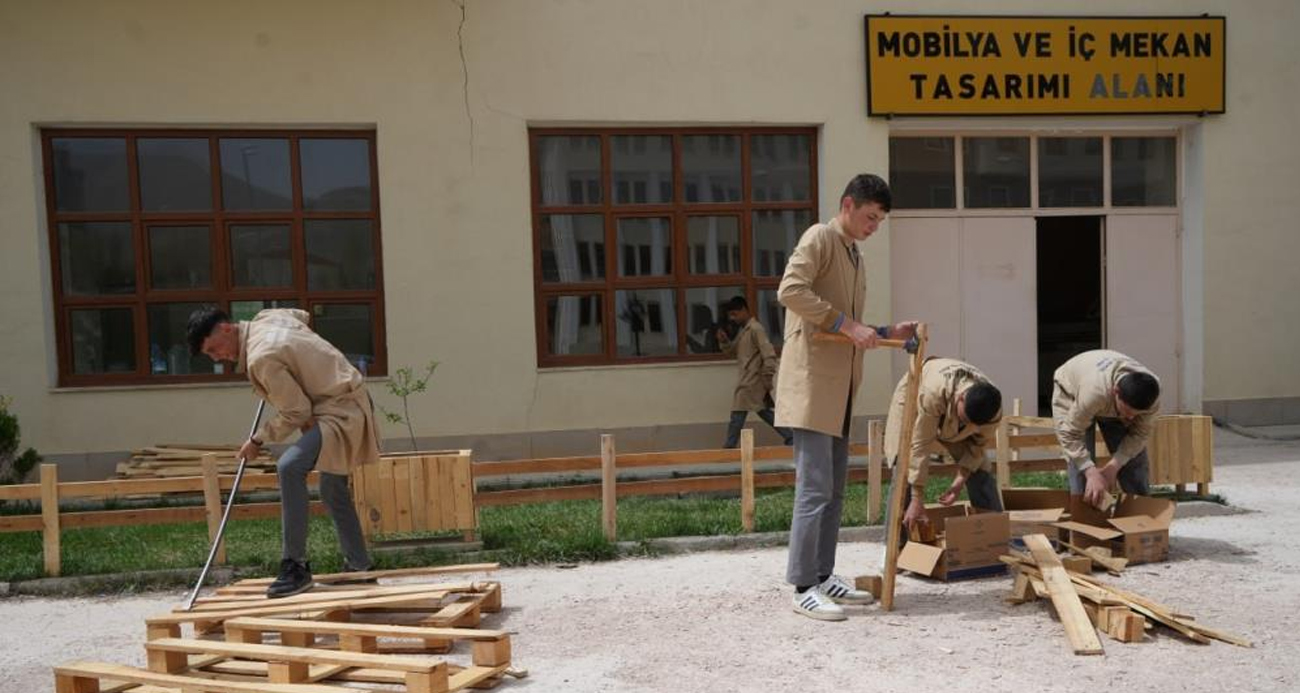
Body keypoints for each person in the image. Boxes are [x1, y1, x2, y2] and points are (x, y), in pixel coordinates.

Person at [775, 173, 917, 621]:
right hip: (813, 387)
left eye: (879, 221)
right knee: (814, 488)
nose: (874, 227)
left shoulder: (853, 254)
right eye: (870, 217)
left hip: (840, 391)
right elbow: (790, 291)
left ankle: (822, 575)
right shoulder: (820, 237)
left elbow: (846, 325)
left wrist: (882, 332)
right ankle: (802, 586)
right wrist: (848, 326)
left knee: (834, 490)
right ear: (848, 205)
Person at [187, 307, 380, 598]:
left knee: (289, 466)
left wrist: (257, 440)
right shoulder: (267, 317)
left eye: (215, 349)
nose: (217, 358)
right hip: (345, 398)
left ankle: (295, 566)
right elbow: (302, 315)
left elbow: (297, 411)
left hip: (341, 412)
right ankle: (360, 568)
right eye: (210, 355)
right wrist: (303, 363)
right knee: (332, 487)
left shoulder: (262, 357)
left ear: (227, 329)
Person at [881, 358, 1003, 534]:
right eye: (965, 420)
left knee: (981, 468)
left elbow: (976, 448)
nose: (965, 425)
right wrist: (917, 498)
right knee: (904, 462)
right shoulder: (932, 392)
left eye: (972, 424)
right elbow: (920, 445)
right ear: (961, 398)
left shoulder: (993, 410)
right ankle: (897, 543)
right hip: (917, 392)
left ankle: (993, 537)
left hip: (949, 403)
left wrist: (958, 483)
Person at [1051, 349, 1161, 508]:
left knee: (1134, 460)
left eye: (1136, 414)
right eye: (1128, 411)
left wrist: (1113, 468)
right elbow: (1070, 435)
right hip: (1071, 390)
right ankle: (1085, 522)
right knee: (1079, 463)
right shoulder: (1093, 393)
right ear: (1115, 392)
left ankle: (1139, 520)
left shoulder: (1152, 395)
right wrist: (1090, 472)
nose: (1130, 418)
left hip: (1108, 399)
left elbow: (1139, 435)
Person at [718, 296, 793, 448]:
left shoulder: (755, 329)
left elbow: (769, 354)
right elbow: (734, 352)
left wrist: (767, 377)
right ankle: (791, 437)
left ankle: (729, 447)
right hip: (749, 381)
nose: (733, 318)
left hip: (752, 382)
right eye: (731, 316)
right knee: (764, 413)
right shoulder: (744, 331)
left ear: (744, 310)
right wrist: (725, 341)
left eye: (735, 314)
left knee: (737, 415)